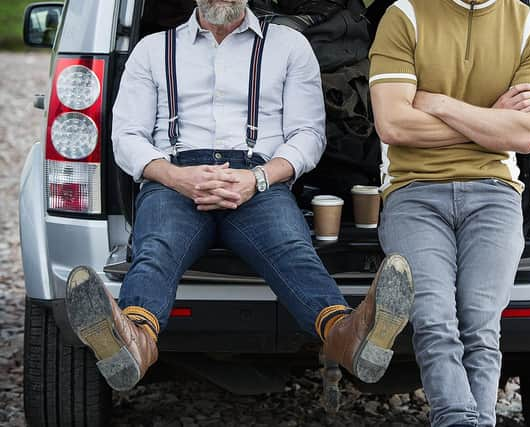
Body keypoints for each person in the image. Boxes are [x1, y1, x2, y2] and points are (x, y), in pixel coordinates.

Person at [64, 0, 413, 392]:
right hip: (174, 179)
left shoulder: (289, 46)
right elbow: (127, 136)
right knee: (156, 248)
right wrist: (178, 178)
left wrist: (258, 179)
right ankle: (133, 342)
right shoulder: (152, 49)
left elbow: (309, 135)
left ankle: (347, 335)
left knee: (291, 247)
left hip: (259, 182)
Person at [369, 0, 530, 426]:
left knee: (480, 324)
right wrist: (491, 121)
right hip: (413, 192)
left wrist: (438, 104)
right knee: (434, 320)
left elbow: (525, 135)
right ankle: (460, 418)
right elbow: (395, 124)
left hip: (496, 193)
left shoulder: (528, 26)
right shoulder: (405, 16)